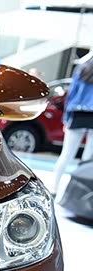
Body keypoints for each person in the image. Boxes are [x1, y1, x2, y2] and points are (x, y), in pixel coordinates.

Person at [54, 60, 93, 194]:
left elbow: (71, 94)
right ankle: (77, 192)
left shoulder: (82, 69)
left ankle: (54, 188)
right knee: (87, 159)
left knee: (66, 155)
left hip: (77, 113)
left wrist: (66, 119)